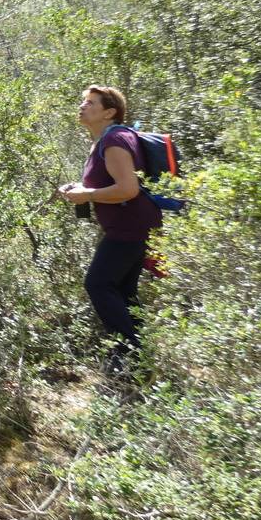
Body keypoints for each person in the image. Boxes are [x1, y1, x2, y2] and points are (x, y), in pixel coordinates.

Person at [57, 85, 162, 377]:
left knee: (98, 284)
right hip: (134, 226)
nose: (82, 106)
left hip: (131, 228)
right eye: (83, 101)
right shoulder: (104, 140)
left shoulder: (115, 140)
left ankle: (128, 357)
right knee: (123, 291)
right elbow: (113, 184)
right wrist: (79, 190)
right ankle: (140, 361)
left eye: (90, 103)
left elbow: (128, 189)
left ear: (109, 112)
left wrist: (87, 194)